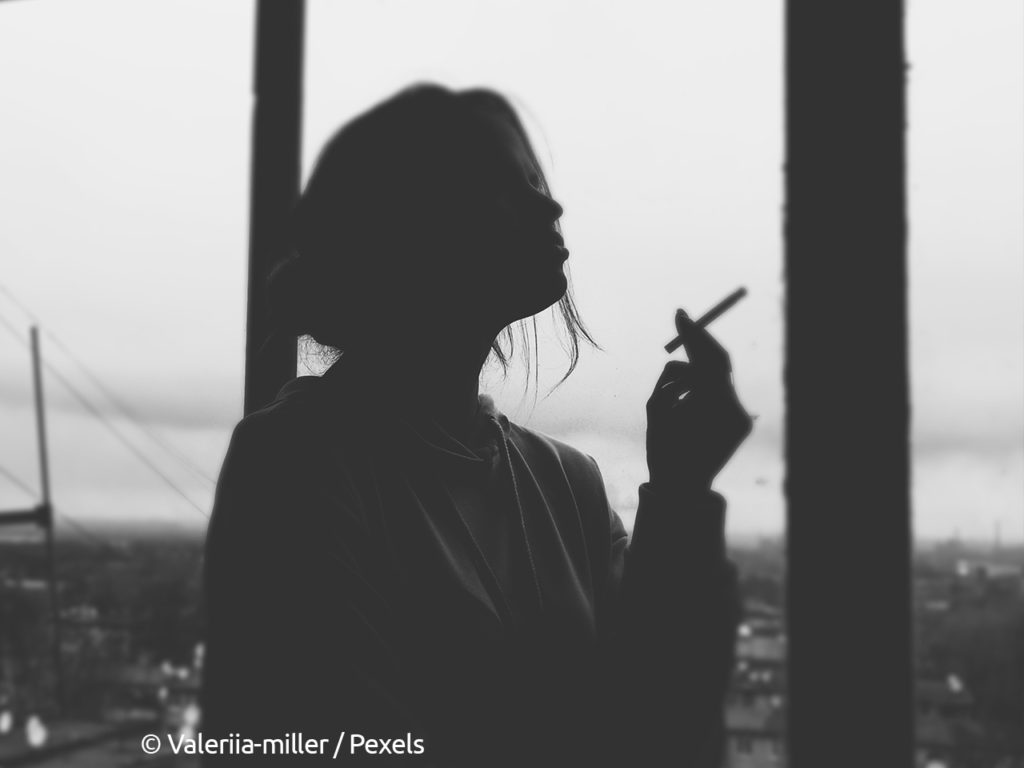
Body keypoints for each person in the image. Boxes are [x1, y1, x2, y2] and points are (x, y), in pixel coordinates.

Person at [200, 83, 752, 767]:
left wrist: (684, 493)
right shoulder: (294, 463)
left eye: (537, 181)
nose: (551, 204)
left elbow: (665, 732)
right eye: (507, 184)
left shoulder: (568, 486)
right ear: (411, 219)